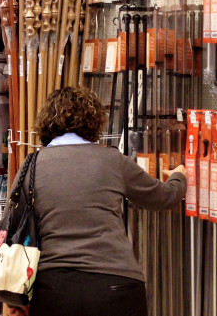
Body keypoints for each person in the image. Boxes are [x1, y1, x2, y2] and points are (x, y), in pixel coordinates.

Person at [12, 87, 187, 316]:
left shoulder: (31, 167)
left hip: (53, 290)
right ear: (94, 121)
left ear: (46, 122)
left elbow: (11, 232)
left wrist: (15, 299)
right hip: (116, 286)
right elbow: (164, 197)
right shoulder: (112, 161)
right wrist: (179, 177)